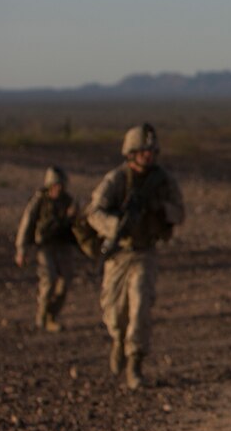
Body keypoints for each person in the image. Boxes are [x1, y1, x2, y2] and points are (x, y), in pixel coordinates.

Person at [87, 124, 185, 390]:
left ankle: (135, 362)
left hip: (145, 252)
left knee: (140, 306)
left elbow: (179, 212)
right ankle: (118, 340)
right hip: (119, 254)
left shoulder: (163, 180)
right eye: (143, 151)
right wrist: (115, 226)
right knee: (114, 312)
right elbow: (94, 212)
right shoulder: (117, 179)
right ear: (131, 153)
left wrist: (160, 210)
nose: (148, 156)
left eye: (152, 151)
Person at [15, 166, 78, 332]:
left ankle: (52, 315)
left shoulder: (68, 201)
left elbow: (78, 228)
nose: (59, 188)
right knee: (48, 280)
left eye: (61, 184)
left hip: (63, 247)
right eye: (56, 184)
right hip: (45, 247)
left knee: (64, 283)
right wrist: (21, 250)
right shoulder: (40, 201)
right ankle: (41, 317)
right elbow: (27, 224)